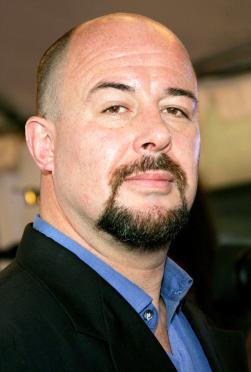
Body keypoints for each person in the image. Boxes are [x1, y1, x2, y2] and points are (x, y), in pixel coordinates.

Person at [0, 13, 248, 372]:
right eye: (115, 107)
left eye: (175, 109)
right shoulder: (11, 342)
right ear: (45, 145)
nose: (159, 132)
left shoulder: (205, 332)